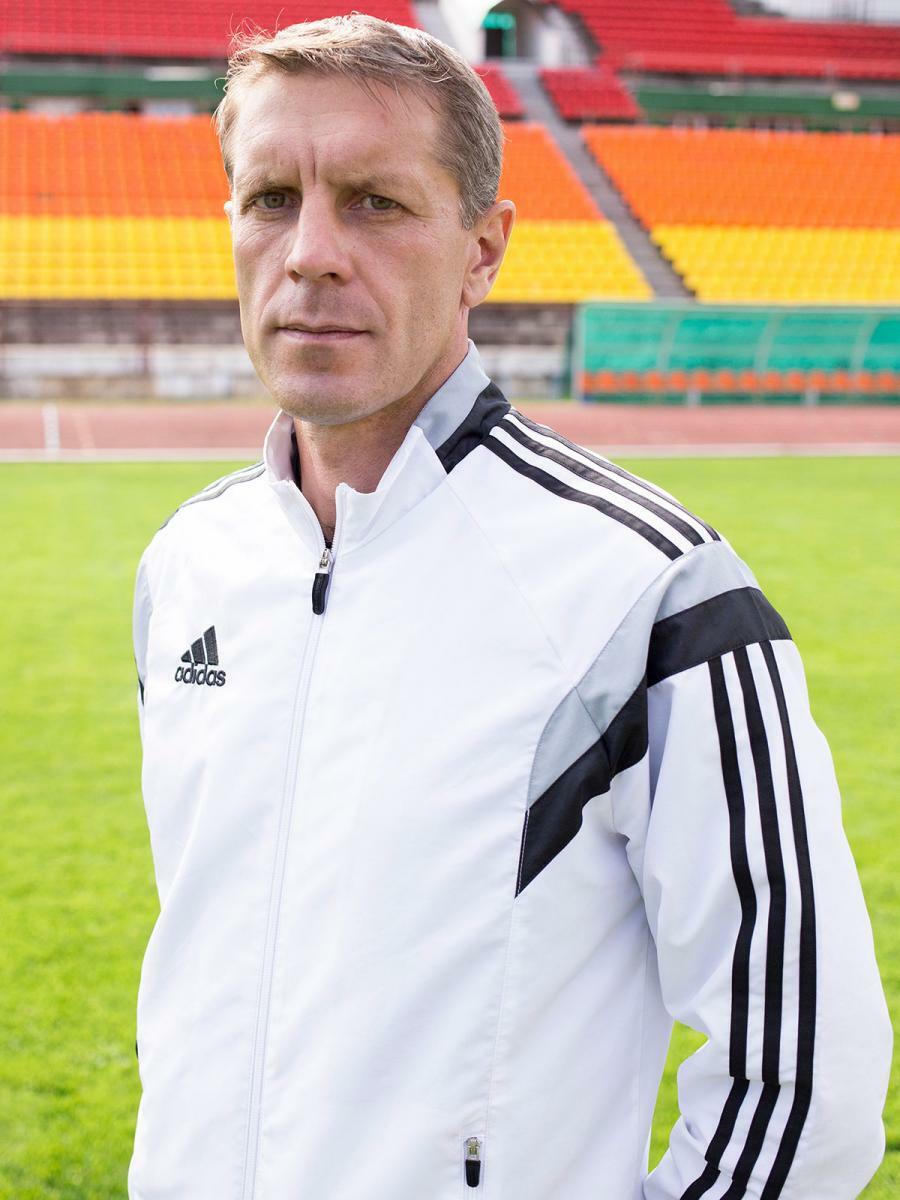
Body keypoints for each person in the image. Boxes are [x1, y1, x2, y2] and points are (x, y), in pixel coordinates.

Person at [129, 15, 891, 1200]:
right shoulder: (190, 565)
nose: (311, 252)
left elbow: (801, 1088)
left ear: (483, 250)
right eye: (271, 199)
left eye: (376, 202)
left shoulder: (648, 591)